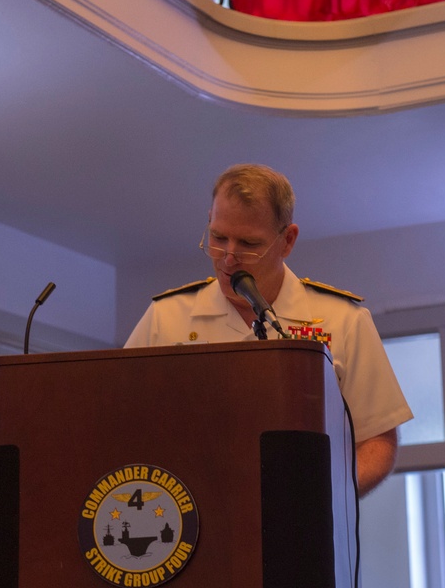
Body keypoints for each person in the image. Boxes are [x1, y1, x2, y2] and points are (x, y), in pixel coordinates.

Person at [125, 164, 412, 494]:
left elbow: (377, 440)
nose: (229, 259)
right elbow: (119, 423)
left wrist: (328, 499)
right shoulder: (166, 318)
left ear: (287, 240)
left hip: (302, 525)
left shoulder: (343, 320)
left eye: (249, 243)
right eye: (218, 238)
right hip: (189, 520)